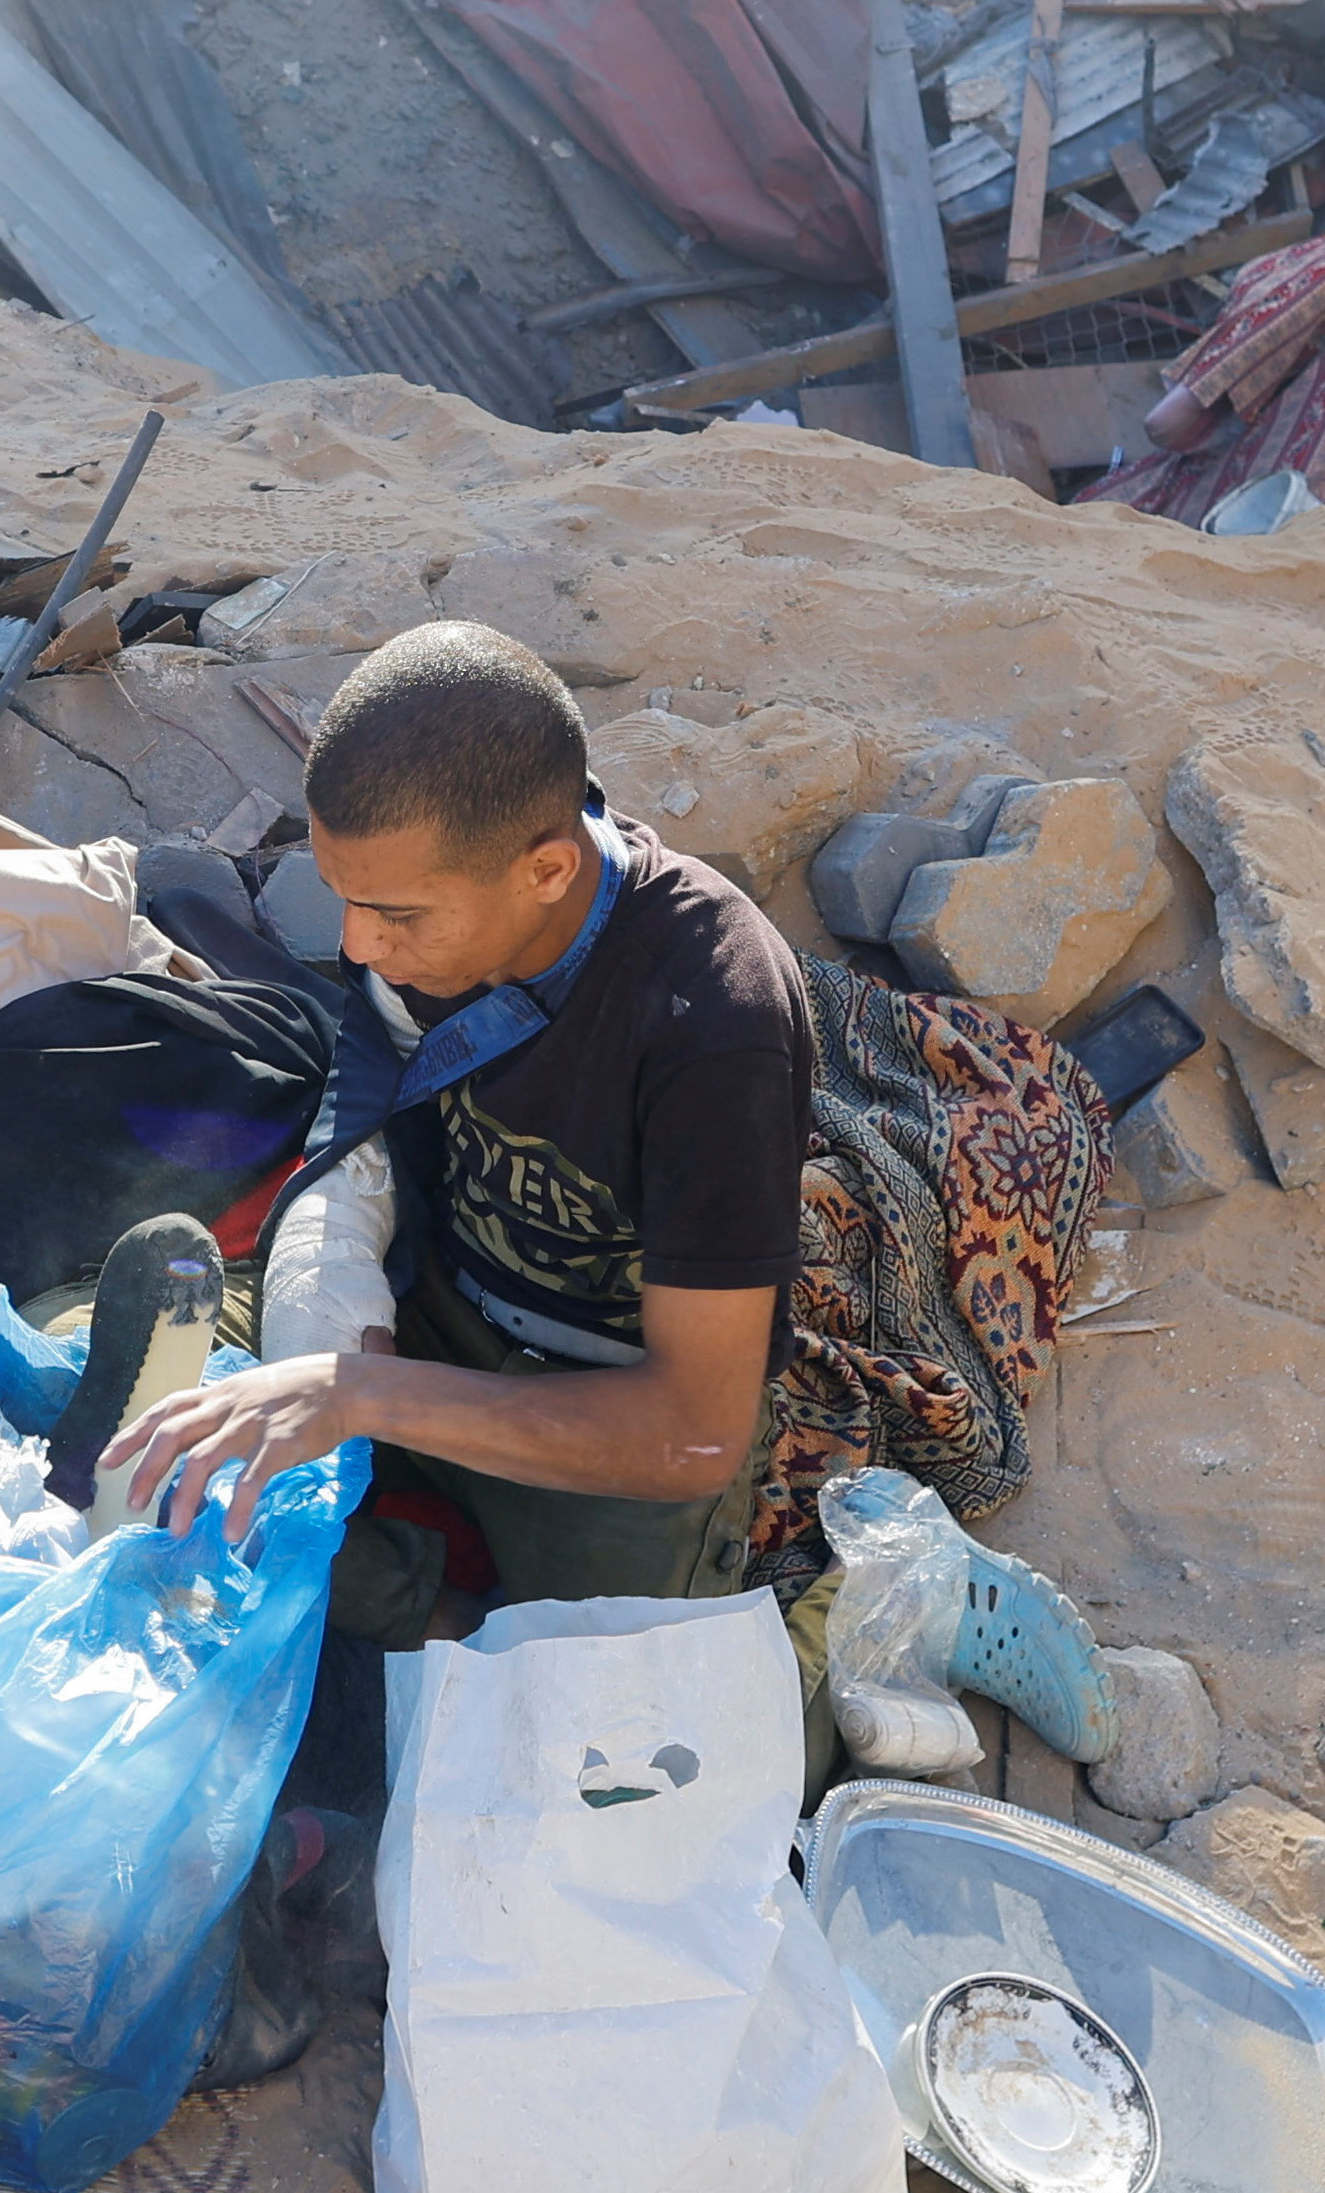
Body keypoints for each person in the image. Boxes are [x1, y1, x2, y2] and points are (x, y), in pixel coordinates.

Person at [106, 621, 1116, 1751]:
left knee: (659, 1762)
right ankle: (439, 1616)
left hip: (607, 1395)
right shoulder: (432, 912)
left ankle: (899, 1596)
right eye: (345, 898)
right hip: (440, 1305)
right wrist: (331, 1324)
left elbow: (690, 1430)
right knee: (127, 1452)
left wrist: (354, 1399)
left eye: (394, 915)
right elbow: (371, 1118)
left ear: (545, 871)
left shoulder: (712, 1022)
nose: (357, 942)